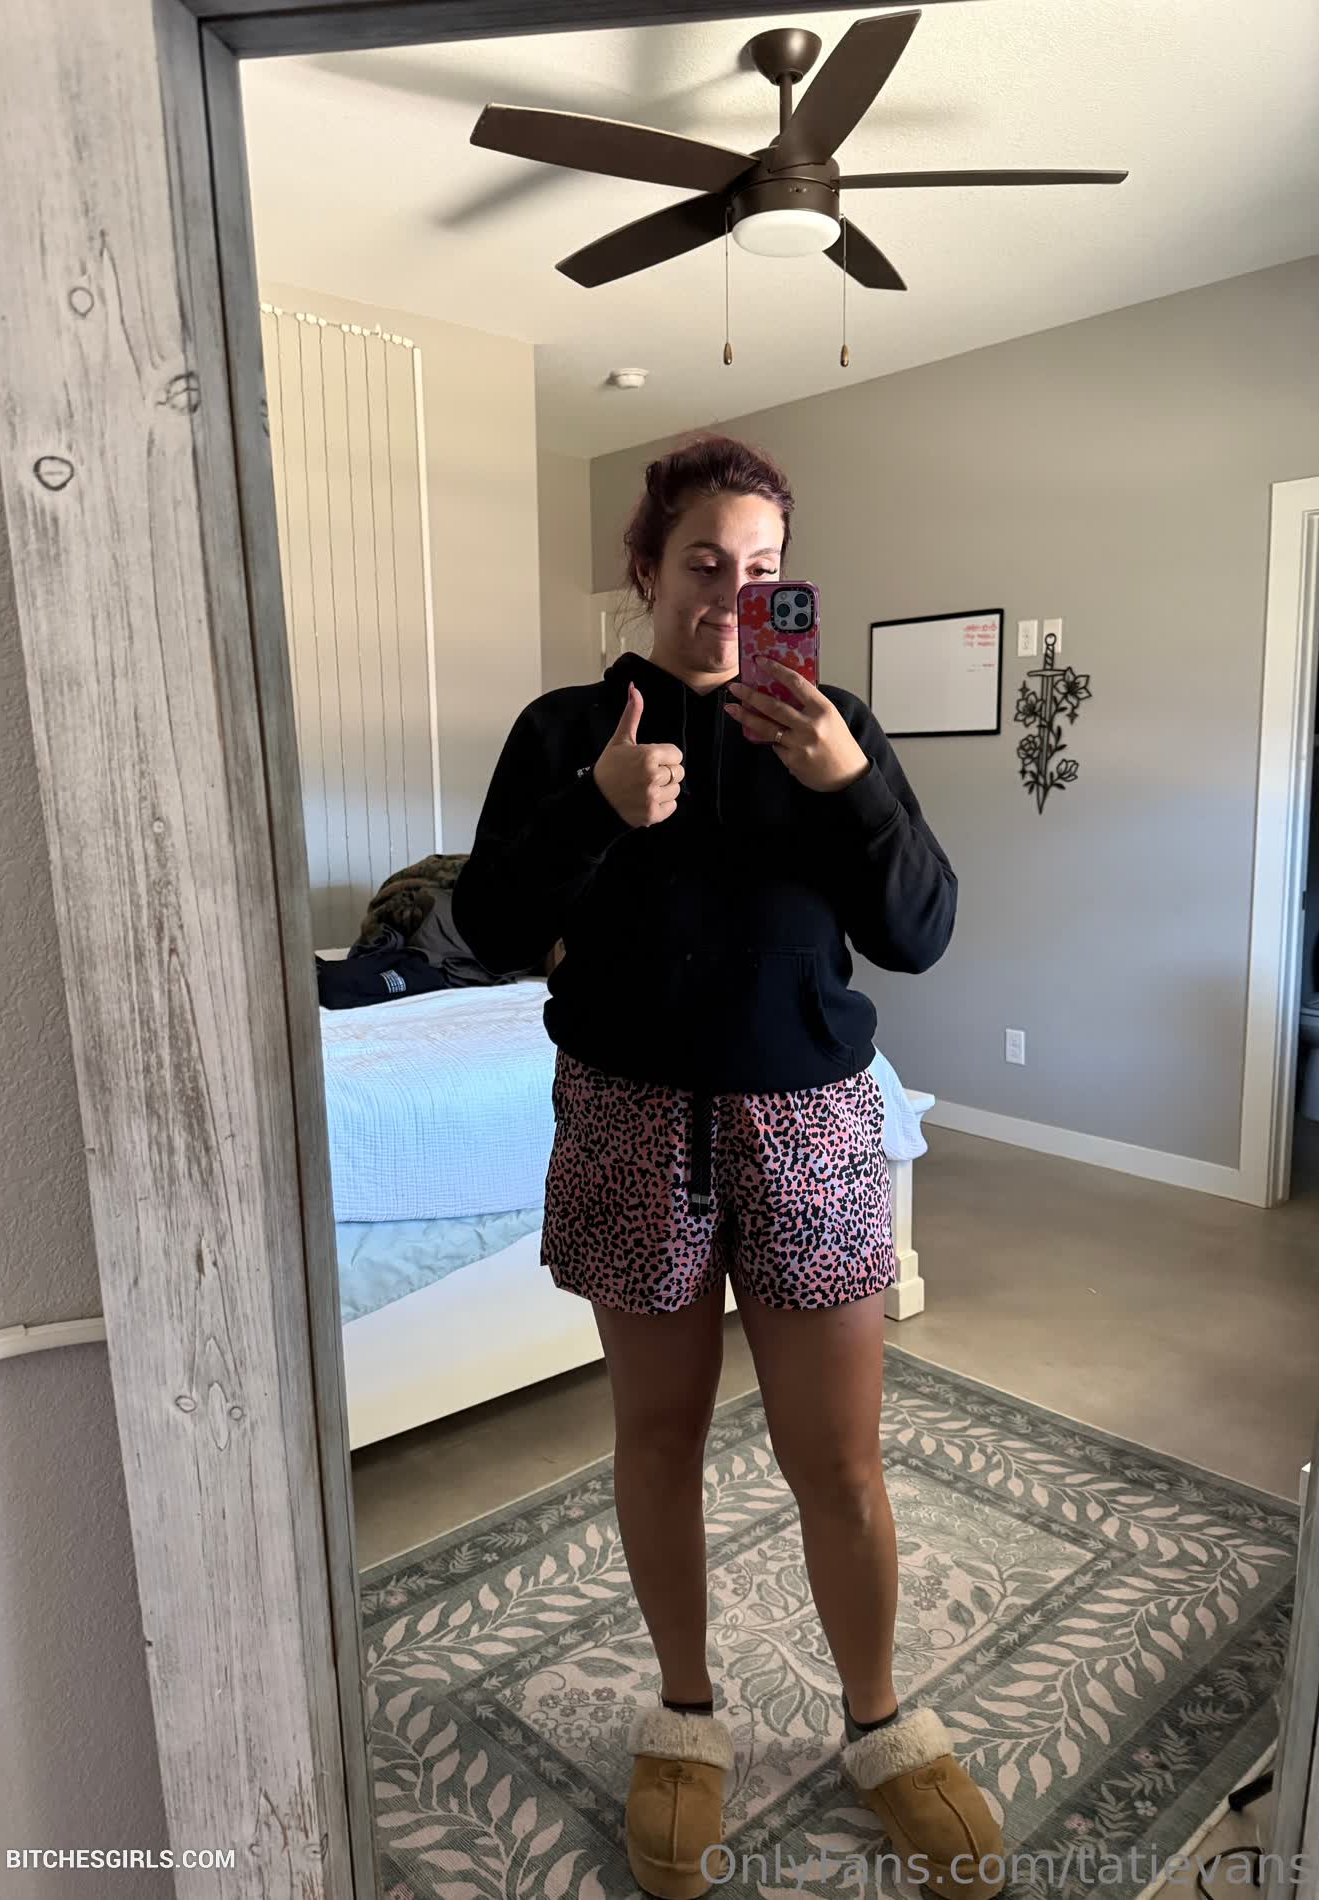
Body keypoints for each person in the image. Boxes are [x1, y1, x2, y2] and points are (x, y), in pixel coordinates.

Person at [453, 435, 1002, 1900]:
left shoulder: (832, 726)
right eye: (704, 564)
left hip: (807, 1123)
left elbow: (921, 931)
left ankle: (879, 1726)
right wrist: (595, 805)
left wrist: (847, 783)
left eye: (763, 572)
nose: (731, 596)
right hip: (629, 1118)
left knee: (838, 1459)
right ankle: (684, 1716)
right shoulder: (567, 727)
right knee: (656, 1441)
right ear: (645, 567)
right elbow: (484, 930)